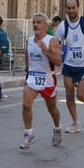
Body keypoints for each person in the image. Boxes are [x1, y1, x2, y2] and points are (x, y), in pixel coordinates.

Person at [55, 0, 84, 133]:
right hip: (69, 65)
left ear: (78, 7)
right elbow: (57, 42)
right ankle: (75, 122)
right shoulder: (62, 26)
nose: (71, 11)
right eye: (68, 8)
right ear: (65, 9)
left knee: (80, 95)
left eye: (73, 7)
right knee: (69, 94)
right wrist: (57, 55)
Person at [20, 12, 62, 150]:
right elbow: (27, 56)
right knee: (26, 105)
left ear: (45, 25)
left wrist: (45, 51)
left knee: (52, 109)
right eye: (34, 22)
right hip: (33, 76)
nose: (35, 25)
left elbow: (58, 62)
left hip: (47, 77)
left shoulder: (52, 40)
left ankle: (57, 129)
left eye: (38, 22)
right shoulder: (29, 40)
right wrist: (28, 70)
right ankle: (29, 133)